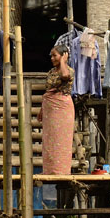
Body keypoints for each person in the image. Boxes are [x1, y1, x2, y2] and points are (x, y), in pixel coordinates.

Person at [41, 44, 75, 175]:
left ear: (63, 56)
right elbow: (48, 90)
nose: (52, 58)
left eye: (55, 55)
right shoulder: (51, 72)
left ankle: (60, 170)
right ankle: (50, 170)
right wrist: (42, 110)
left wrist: (63, 62)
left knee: (61, 139)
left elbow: (65, 76)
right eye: (51, 55)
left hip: (62, 108)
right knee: (49, 139)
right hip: (50, 108)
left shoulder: (68, 70)